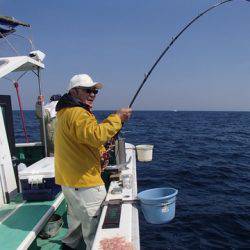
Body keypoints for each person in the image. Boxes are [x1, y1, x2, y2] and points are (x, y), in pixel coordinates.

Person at [54, 74, 132, 250]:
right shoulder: (78, 113)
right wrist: (117, 118)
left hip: (69, 181)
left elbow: (83, 139)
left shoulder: (64, 112)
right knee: (95, 231)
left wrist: (101, 152)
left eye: (95, 91)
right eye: (88, 90)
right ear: (74, 91)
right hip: (85, 184)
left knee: (75, 224)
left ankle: (69, 247)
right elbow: (95, 136)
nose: (93, 94)